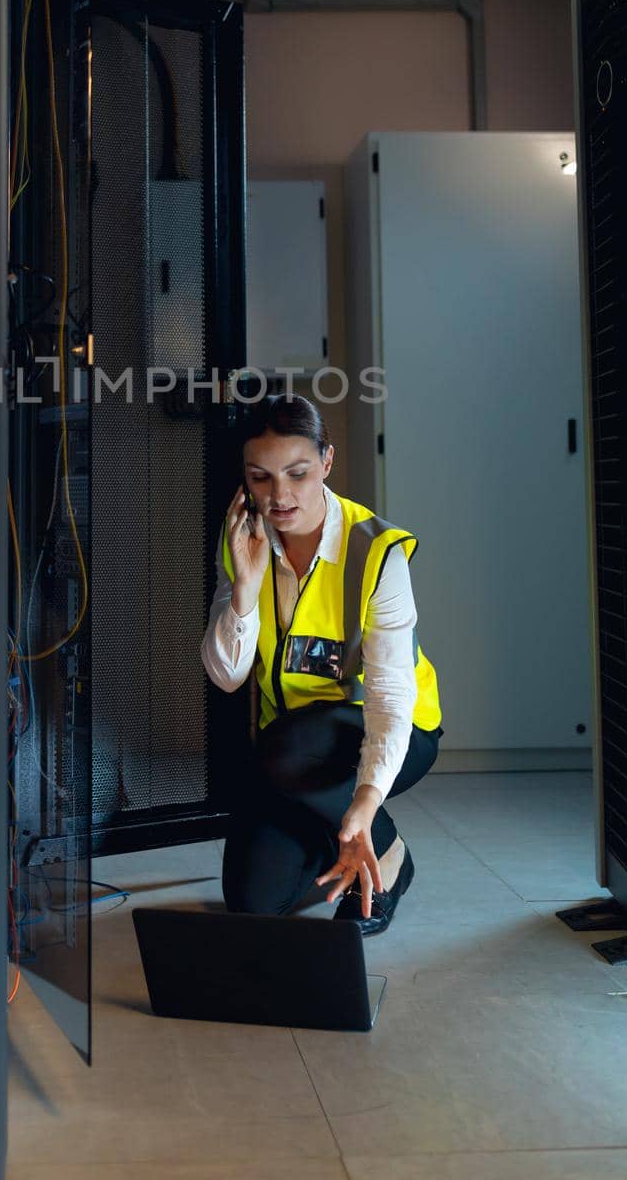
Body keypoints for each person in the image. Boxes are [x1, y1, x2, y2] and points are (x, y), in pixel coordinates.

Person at [200, 391, 444, 934]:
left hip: (388, 732)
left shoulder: (377, 551)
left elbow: (391, 698)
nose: (279, 496)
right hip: (288, 755)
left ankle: (386, 854)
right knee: (252, 904)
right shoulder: (243, 537)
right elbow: (227, 674)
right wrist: (245, 585)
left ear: (326, 463)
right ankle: (328, 837)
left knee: (288, 746)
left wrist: (363, 801)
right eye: (260, 477)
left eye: (298, 473)